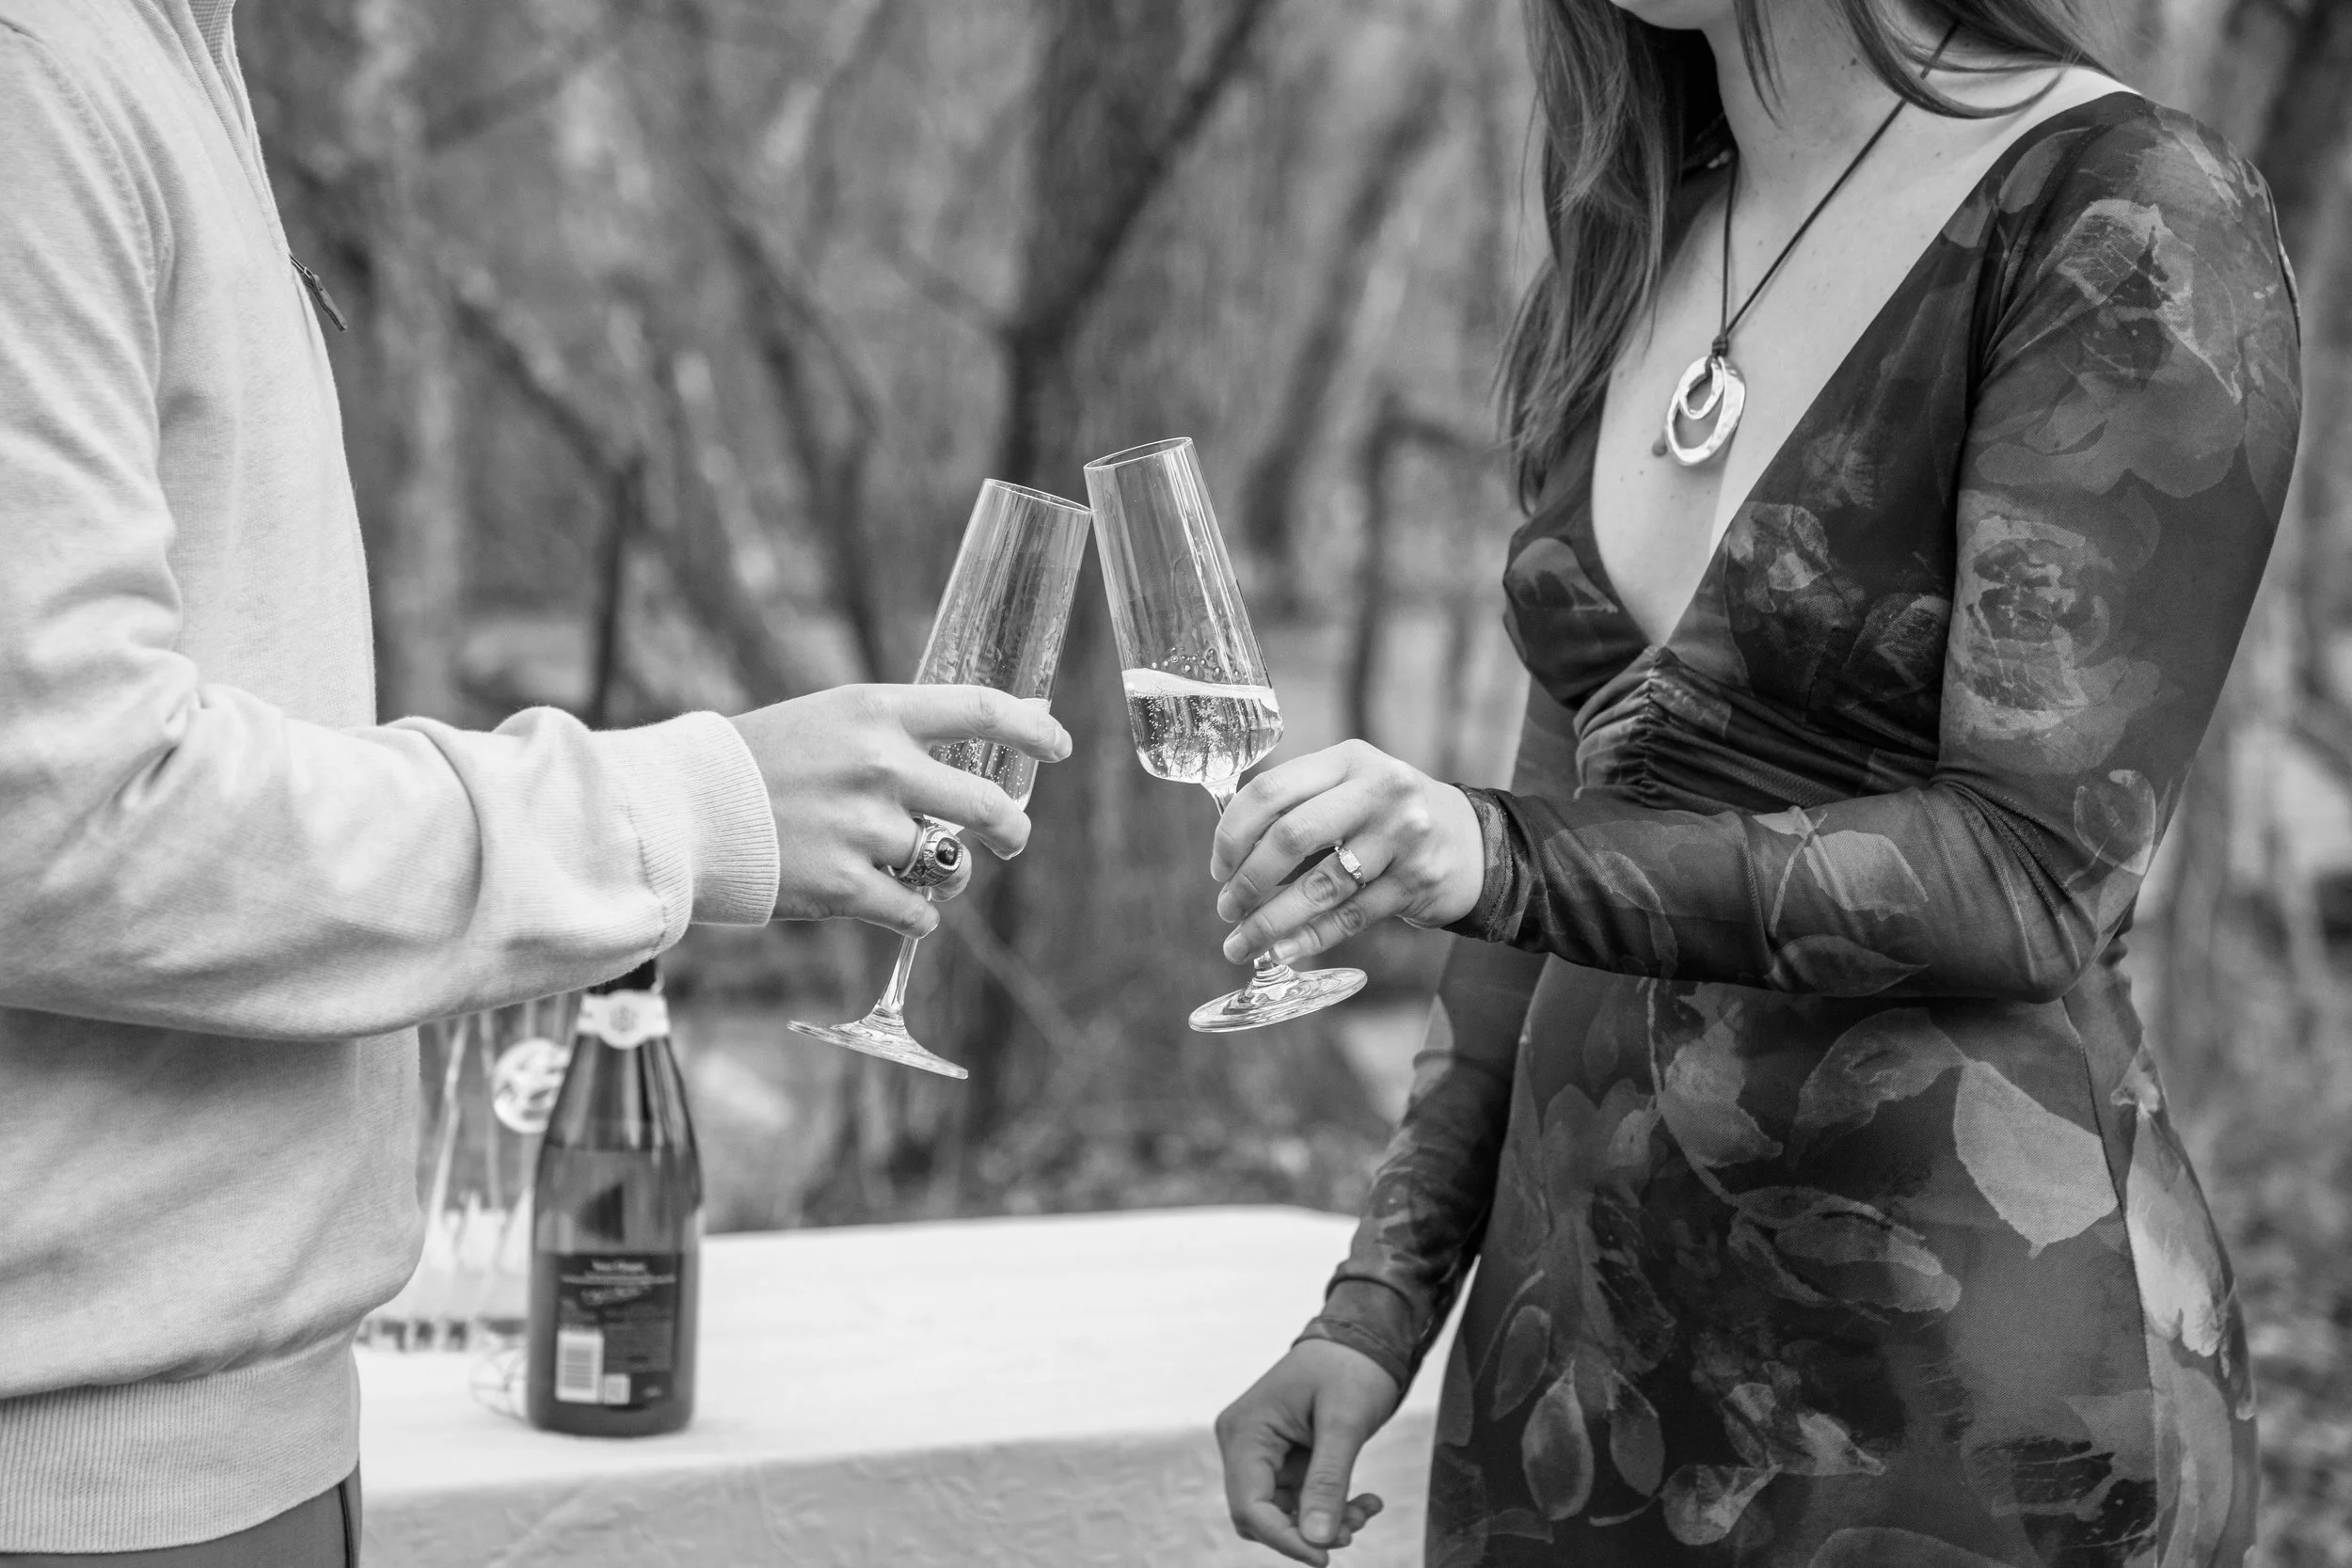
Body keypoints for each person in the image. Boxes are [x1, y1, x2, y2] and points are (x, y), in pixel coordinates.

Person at [1210, 0, 2300, 1560]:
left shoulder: (2124, 213)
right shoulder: (1646, 225)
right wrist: (1377, 1304)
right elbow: (1540, 849)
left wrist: (1496, 853)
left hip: (1957, 1370)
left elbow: (2030, 872)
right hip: (1578, 1369)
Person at [0, 1, 1068, 1562]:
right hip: (82, 1484)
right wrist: (683, 810)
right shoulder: (35, 75)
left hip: (248, 1434)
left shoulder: (160, 55)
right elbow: (62, 818)